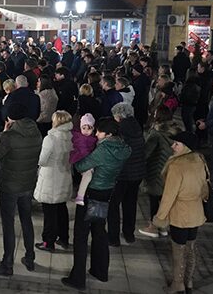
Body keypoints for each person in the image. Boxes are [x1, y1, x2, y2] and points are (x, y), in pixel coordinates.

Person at [62, 118, 131, 290]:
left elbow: (81, 166)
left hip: (90, 194)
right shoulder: (124, 148)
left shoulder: (103, 150)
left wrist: (77, 159)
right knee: (99, 231)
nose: (96, 134)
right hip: (106, 192)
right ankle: (100, 271)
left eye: (99, 131)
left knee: (81, 235)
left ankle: (78, 278)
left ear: (108, 134)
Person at [0, 103, 42, 276]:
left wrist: (3, 133)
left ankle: (7, 263)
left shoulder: (9, 136)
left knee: (8, 224)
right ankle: (30, 257)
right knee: (26, 220)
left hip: (10, 185)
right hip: (27, 184)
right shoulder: (36, 132)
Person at [152, 132, 208, 294]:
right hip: (195, 212)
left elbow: (169, 196)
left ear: (186, 147)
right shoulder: (200, 160)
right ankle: (188, 282)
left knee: (179, 250)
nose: (172, 146)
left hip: (180, 214)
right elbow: (205, 188)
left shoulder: (176, 166)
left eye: (177, 143)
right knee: (191, 248)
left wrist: (159, 218)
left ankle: (178, 285)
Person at [33, 111, 73, 252]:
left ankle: (48, 242)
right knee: (62, 209)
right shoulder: (70, 137)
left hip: (50, 178)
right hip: (64, 176)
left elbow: (42, 160)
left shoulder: (50, 138)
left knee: (49, 212)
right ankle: (64, 238)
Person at [108, 103, 147, 246]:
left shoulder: (120, 130)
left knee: (113, 205)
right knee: (130, 203)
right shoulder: (136, 126)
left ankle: (113, 237)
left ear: (118, 116)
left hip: (121, 174)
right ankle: (129, 233)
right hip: (136, 173)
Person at [139, 105, 179, 238]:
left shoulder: (156, 134)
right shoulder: (176, 131)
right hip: (172, 170)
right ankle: (164, 226)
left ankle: (154, 227)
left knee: (154, 199)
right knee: (166, 199)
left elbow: (146, 152)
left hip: (156, 170)